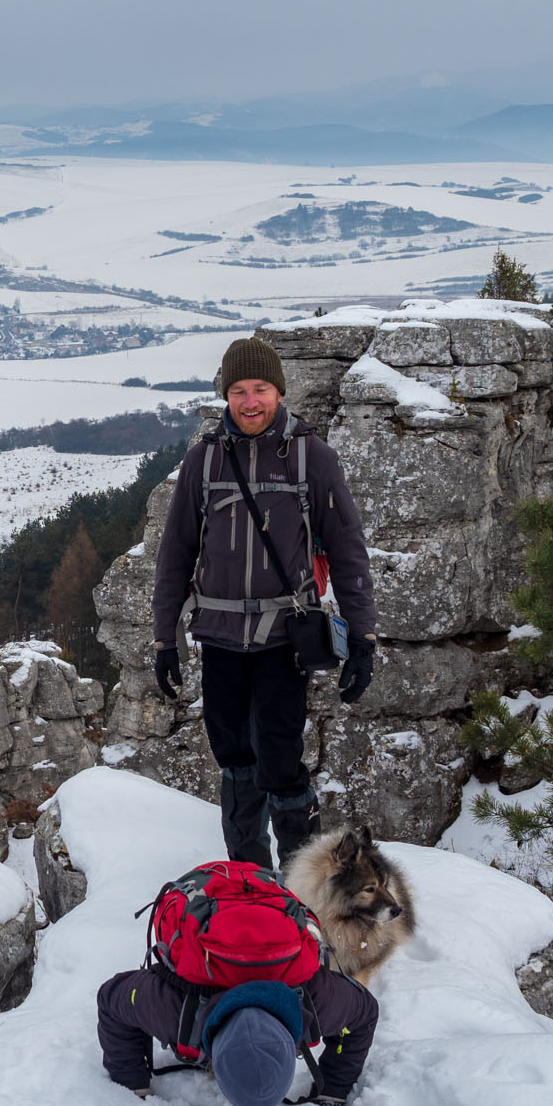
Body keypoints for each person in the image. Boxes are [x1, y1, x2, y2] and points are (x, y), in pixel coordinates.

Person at [151, 336, 378, 868]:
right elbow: (175, 556)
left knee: (279, 760)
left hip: (283, 638)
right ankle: (249, 882)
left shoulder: (310, 457)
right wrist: (165, 640)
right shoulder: (203, 461)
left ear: (279, 390)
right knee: (234, 757)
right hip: (220, 638)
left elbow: (347, 551)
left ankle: (301, 887)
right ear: (224, 396)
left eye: (260, 390)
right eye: (237, 391)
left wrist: (363, 639)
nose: (250, 402)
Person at [95, 954, 378, 1106]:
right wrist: (132, 1084)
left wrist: (334, 1091)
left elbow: (365, 1014)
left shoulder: (320, 1002)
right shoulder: (171, 1008)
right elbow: (111, 999)